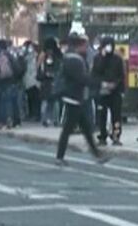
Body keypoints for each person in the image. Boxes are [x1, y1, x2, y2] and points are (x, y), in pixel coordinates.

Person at [56, 32, 110, 165]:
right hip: (74, 97)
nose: (87, 49)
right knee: (69, 129)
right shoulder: (75, 60)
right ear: (79, 46)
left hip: (75, 97)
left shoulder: (69, 57)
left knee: (85, 128)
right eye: (85, 46)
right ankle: (60, 156)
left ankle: (96, 154)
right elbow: (82, 79)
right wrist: (100, 84)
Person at [92, 37, 126, 146]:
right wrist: (103, 57)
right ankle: (102, 135)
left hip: (115, 91)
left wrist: (115, 84)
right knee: (102, 114)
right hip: (102, 90)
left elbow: (121, 75)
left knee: (116, 115)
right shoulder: (98, 58)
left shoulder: (117, 59)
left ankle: (116, 136)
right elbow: (95, 73)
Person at [0, 39, 24, 129]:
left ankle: (0, 121)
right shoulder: (9, 55)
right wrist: (16, 78)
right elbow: (17, 68)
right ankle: (14, 121)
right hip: (10, 81)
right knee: (11, 101)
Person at [38, 37, 62, 127]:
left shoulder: (42, 56)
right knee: (55, 103)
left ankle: (45, 119)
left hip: (45, 83)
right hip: (54, 82)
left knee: (45, 102)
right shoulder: (59, 56)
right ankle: (56, 120)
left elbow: (39, 70)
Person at [21, 41, 41, 123]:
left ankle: (35, 114)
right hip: (31, 80)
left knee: (34, 98)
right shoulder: (29, 57)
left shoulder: (35, 57)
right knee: (32, 98)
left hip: (33, 80)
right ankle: (33, 114)